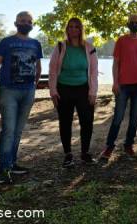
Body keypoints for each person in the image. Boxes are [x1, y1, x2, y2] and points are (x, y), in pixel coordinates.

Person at [0, 11, 43, 184]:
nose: (25, 23)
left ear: (32, 24)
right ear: (16, 23)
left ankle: (12, 163)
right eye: (22, 21)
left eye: (28, 21)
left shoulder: (36, 44)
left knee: (18, 131)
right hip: (8, 91)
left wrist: (33, 86)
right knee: (9, 130)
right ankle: (3, 169)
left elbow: (38, 67)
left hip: (28, 92)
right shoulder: (6, 42)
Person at [100, 14, 137, 160]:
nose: (135, 24)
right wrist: (115, 82)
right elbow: (116, 63)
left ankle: (128, 145)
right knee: (118, 116)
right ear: (128, 23)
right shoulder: (121, 41)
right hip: (123, 85)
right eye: (132, 22)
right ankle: (109, 147)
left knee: (134, 117)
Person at [49, 18, 98, 167]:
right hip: (64, 89)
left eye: (76, 27)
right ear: (67, 29)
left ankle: (85, 153)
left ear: (81, 29)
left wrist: (93, 92)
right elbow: (52, 70)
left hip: (83, 89)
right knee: (65, 123)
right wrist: (53, 91)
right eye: (70, 27)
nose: (73, 29)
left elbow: (94, 72)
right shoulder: (60, 47)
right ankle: (68, 155)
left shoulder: (89, 47)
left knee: (87, 122)